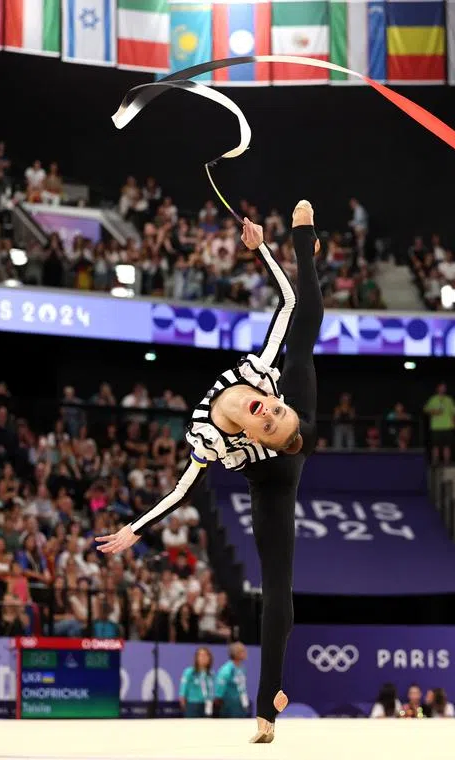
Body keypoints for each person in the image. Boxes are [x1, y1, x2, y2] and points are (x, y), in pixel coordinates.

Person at [98, 202, 325, 744]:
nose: (267, 411)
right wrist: (259, 249)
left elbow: (180, 490)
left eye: (271, 417)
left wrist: (137, 527)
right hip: (270, 469)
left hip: (290, 457)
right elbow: (286, 299)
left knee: (305, 340)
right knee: (275, 587)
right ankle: (270, 711)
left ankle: (307, 252)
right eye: (271, 412)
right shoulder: (251, 385)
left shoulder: (240, 417)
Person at [423, 383, 455, 465]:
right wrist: (434, 411)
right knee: (435, 446)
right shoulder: (433, 399)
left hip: (447, 426)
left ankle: (447, 463)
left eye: (444, 388)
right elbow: (426, 409)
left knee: (447, 446)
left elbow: (454, 412)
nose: (443, 389)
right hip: (436, 427)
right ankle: (435, 462)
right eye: (441, 388)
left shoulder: (449, 399)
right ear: (437, 389)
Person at [216, 643, 251, 720]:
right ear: (236, 653)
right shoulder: (227, 668)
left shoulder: (242, 668)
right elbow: (220, 685)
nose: (246, 652)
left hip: (241, 702)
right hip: (230, 703)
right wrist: (219, 698)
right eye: (243, 651)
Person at [179, 647, 216, 718]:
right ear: (196, 658)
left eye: (206, 655)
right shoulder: (189, 672)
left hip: (208, 704)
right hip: (193, 704)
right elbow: (183, 690)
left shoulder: (211, 673)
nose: (203, 658)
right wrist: (183, 702)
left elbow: (212, 689)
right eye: (201, 655)